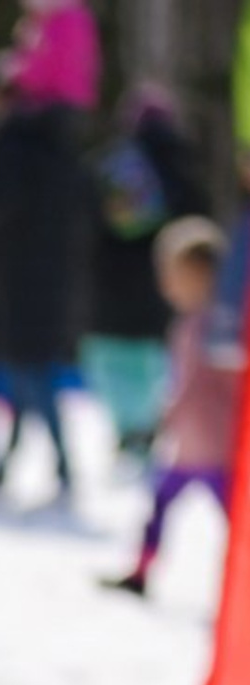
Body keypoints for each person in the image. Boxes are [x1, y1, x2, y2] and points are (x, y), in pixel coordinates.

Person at [99, 220, 239, 597]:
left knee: (231, 517)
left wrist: (163, 417)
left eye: (175, 276)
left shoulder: (216, 328)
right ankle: (142, 571)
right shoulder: (192, 324)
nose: (167, 286)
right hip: (188, 445)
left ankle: (238, 587)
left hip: (212, 444)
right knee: (160, 507)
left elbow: (196, 386)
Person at [0, 55, 88, 501]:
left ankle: (43, 463)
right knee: (30, 369)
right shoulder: (61, 141)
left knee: (29, 371)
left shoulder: (11, 143)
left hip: (20, 270)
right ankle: (19, 462)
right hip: (53, 270)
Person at [83, 85, 207, 462]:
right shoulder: (182, 165)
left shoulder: (109, 163)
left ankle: (128, 430)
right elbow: (198, 222)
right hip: (165, 282)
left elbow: (84, 220)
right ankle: (150, 426)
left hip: (111, 281)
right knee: (156, 362)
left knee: (113, 359)